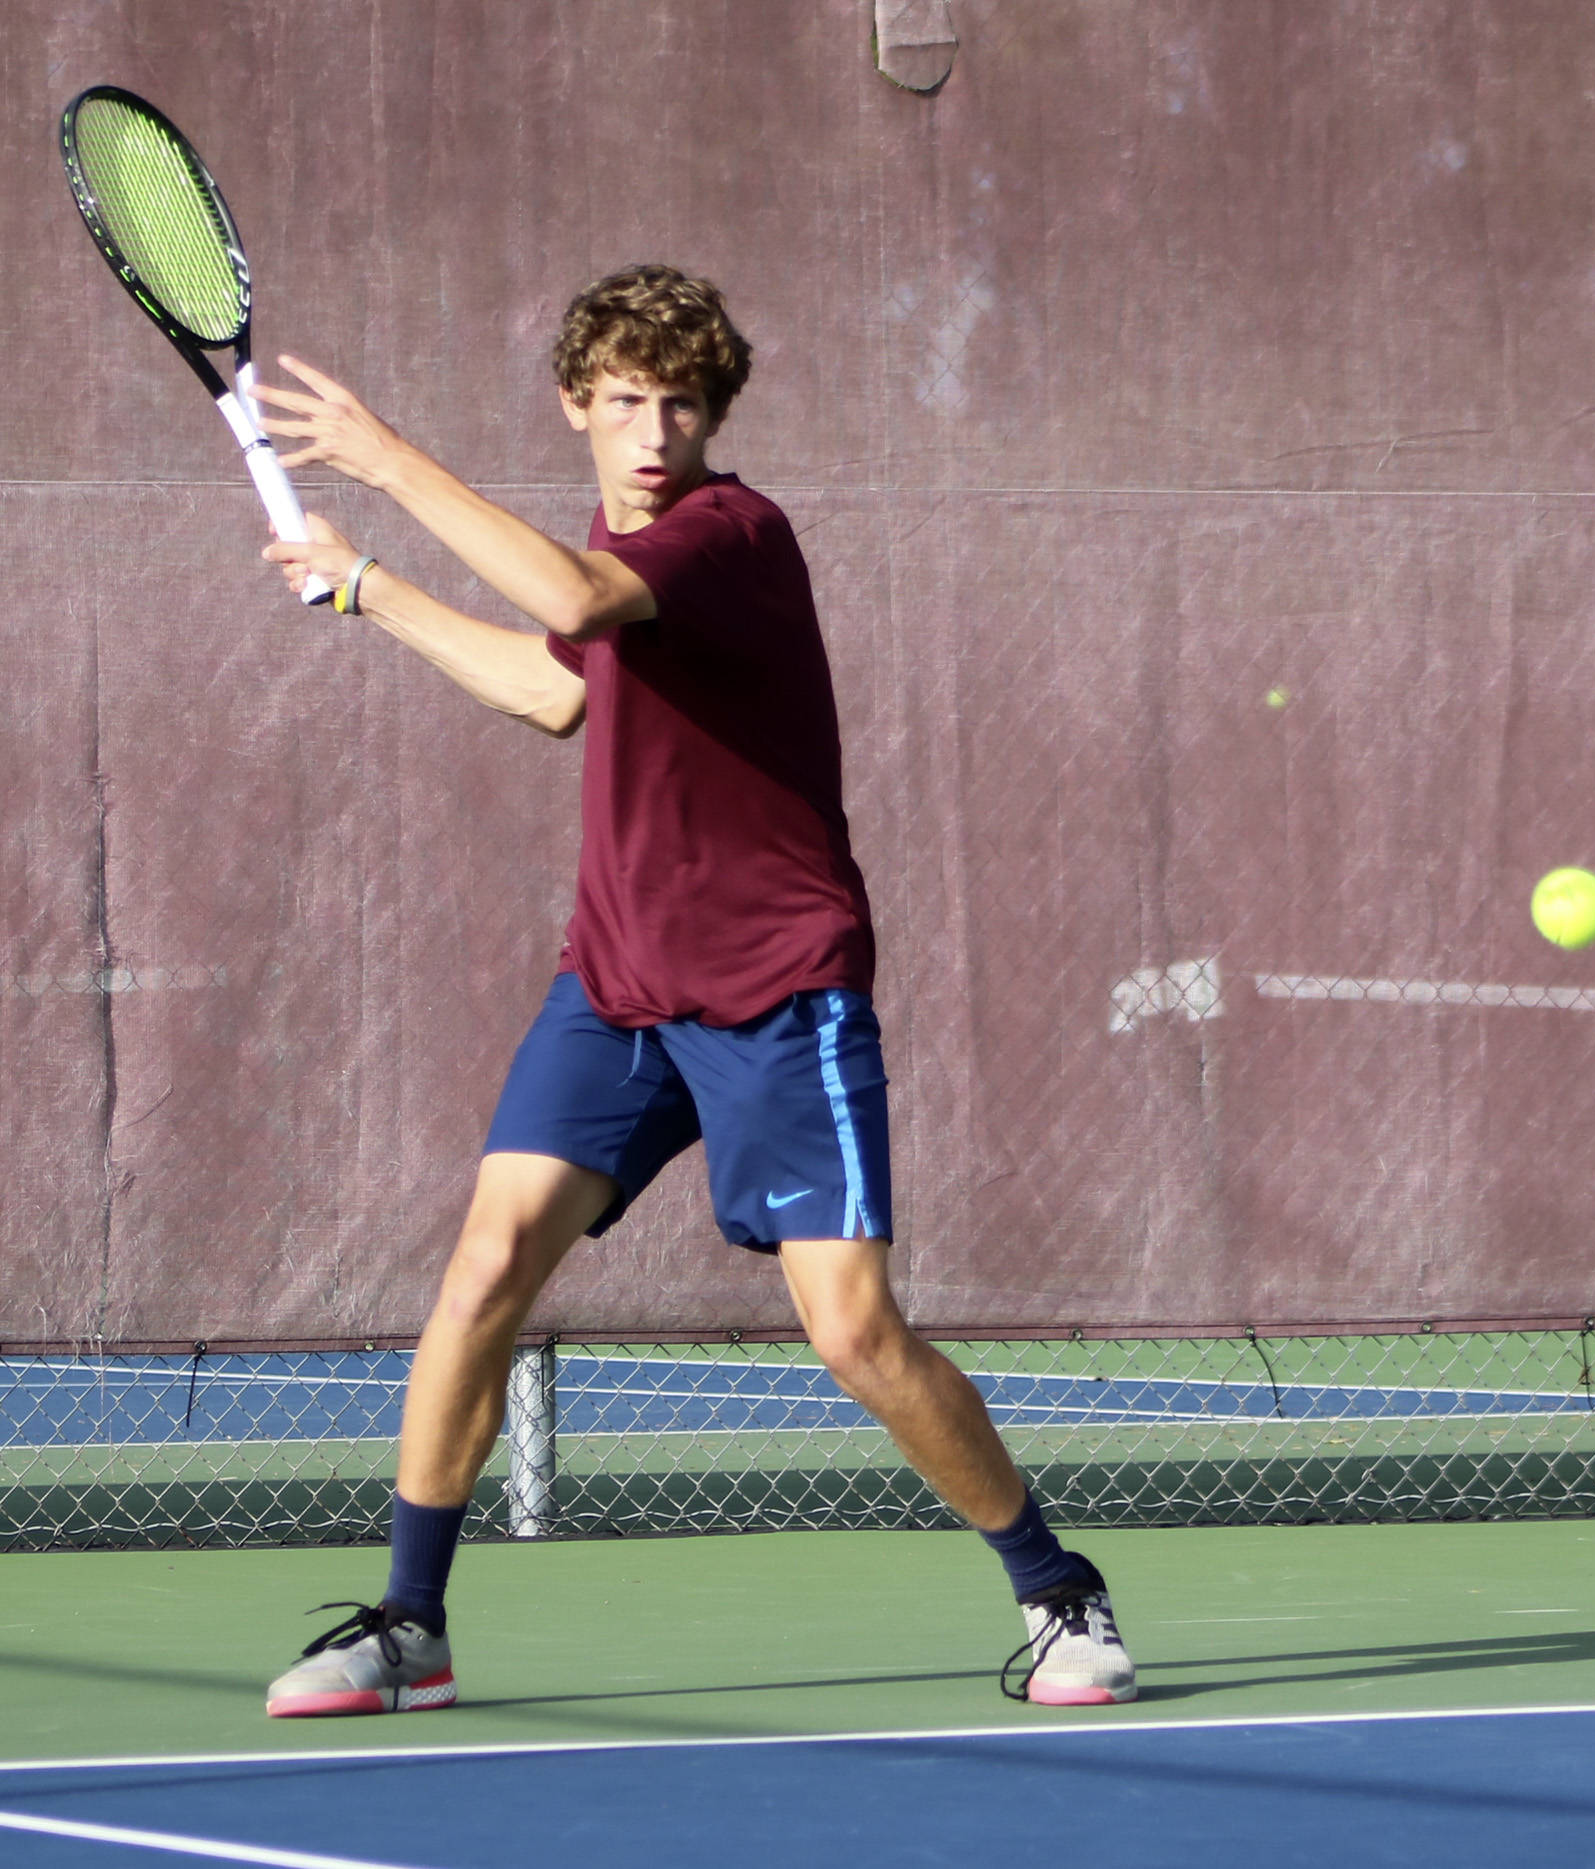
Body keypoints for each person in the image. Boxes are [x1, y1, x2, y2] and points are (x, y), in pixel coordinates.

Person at [252, 265, 1135, 1715]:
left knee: (851, 1329)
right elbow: (554, 689)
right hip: (614, 984)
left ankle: (1057, 1591)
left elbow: (578, 599)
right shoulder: (615, 550)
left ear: (713, 415)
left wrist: (386, 455)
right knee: (485, 1267)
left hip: (777, 987)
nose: (649, 429)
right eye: (619, 402)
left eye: (677, 401)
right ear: (575, 409)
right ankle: (412, 1623)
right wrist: (367, 588)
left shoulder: (727, 534)